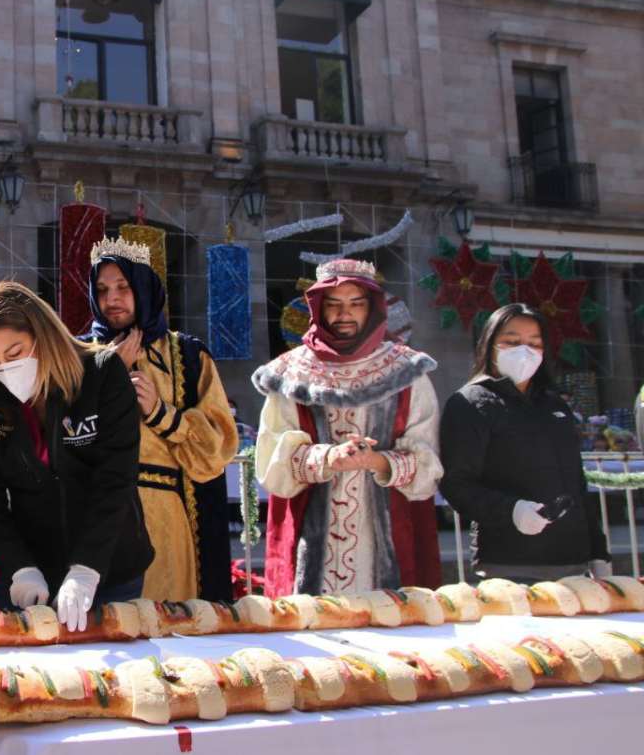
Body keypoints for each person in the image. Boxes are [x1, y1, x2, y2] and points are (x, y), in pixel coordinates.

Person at [0, 281, 153, 632]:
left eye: (15, 353)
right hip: (29, 572)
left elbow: (115, 478)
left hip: (110, 565)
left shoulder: (102, 373)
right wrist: (18, 567)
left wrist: (87, 567)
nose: (5, 369)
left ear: (41, 335)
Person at [252, 259, 442, 597]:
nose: (344, 314)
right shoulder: (290, 372)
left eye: (356, 304)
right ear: (319, 309)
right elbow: (271, 457)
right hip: (309, 538)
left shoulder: (407, 370)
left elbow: (428, 457)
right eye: (335, 305)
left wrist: (378, 461)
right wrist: (327, 458)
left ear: (372, 309)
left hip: (388, 536)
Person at [85, 237, 237, 602]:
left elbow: (218, 447)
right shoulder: (78, 354)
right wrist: (107, 375)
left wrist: (161, 414)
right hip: (95, 513)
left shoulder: (187, 355)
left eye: (123, 287)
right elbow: (59, 431)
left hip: (165, 515)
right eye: (103, 289)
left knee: (171, 630)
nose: (112, 299)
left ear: (143, 287)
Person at [439, 303, 611, 582]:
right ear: (490, 344)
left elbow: (576, 484)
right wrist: (512, 510)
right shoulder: (470, 402)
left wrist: (598, 551)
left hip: (574, 563)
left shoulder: (555, 405)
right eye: (512, 341)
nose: (524, 350)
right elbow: (455, 483)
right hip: (510, 565)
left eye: (534, 343)